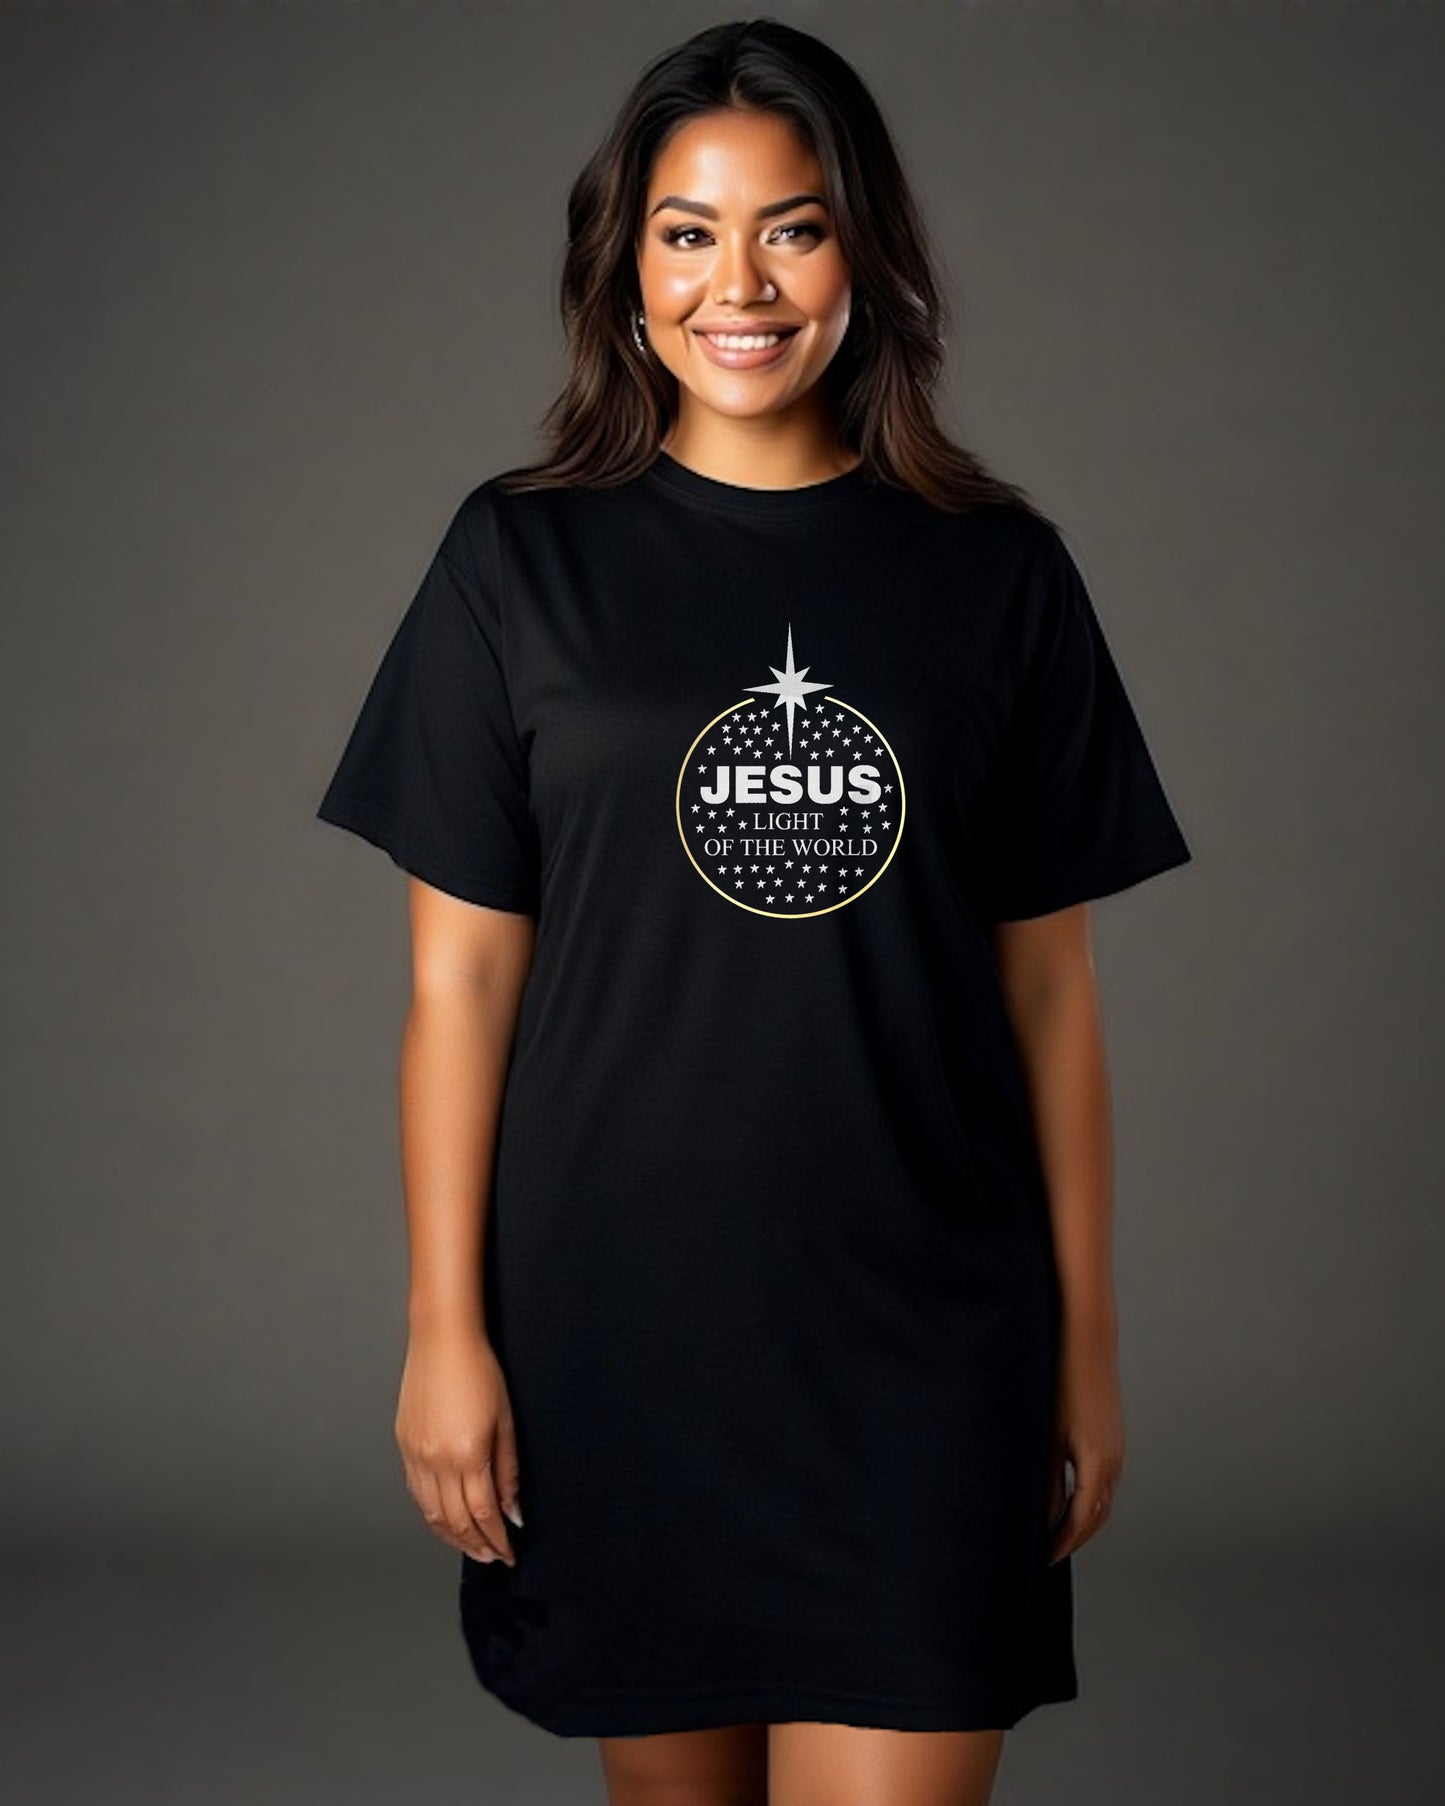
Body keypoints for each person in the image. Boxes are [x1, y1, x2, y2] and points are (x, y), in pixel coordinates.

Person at [314, 18, 1192, 1806]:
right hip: (621, 1333)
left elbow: (1050, 998)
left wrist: (1086, 1352)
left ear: (861, 257)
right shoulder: (516, 560)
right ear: (623, 265)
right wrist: (441, 1329)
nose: (742, 281)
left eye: (791, 226)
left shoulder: (994, 572)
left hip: (925, 1338)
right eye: (688, 229)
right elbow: (463, 982)